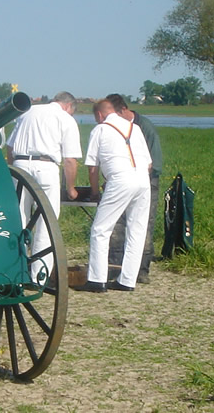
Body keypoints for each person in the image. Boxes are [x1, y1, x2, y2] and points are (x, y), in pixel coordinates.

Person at [75, 99, 152, 293]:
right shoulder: (135, 129)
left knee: (100, 230)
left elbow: (93, 167)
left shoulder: (100, 130)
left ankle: (97, 280)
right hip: (143, 180)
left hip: (119, 180)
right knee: (137, 230)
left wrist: (94, 193)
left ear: (99, 115)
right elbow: (149, 164)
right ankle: (127, 281)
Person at [6, 91, 82, 281]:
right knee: (46, 222)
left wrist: (12, 169)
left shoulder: (28, 112)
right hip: (46, 167)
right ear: (68, 106)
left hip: (20, 165)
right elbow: (70, 160)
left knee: (19, 219)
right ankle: (39, 276)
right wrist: (71, 188)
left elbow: (10, 147)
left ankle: (16, 271)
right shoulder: (65, 118)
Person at [105, 93, 163, 284]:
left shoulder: (144, 127)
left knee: (143, 225)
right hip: (122, 180)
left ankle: (141, 269)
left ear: (122, 110)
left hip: (147, 181)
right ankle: (115, 266)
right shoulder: (117, 128)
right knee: (117, 225)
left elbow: (153, 163)